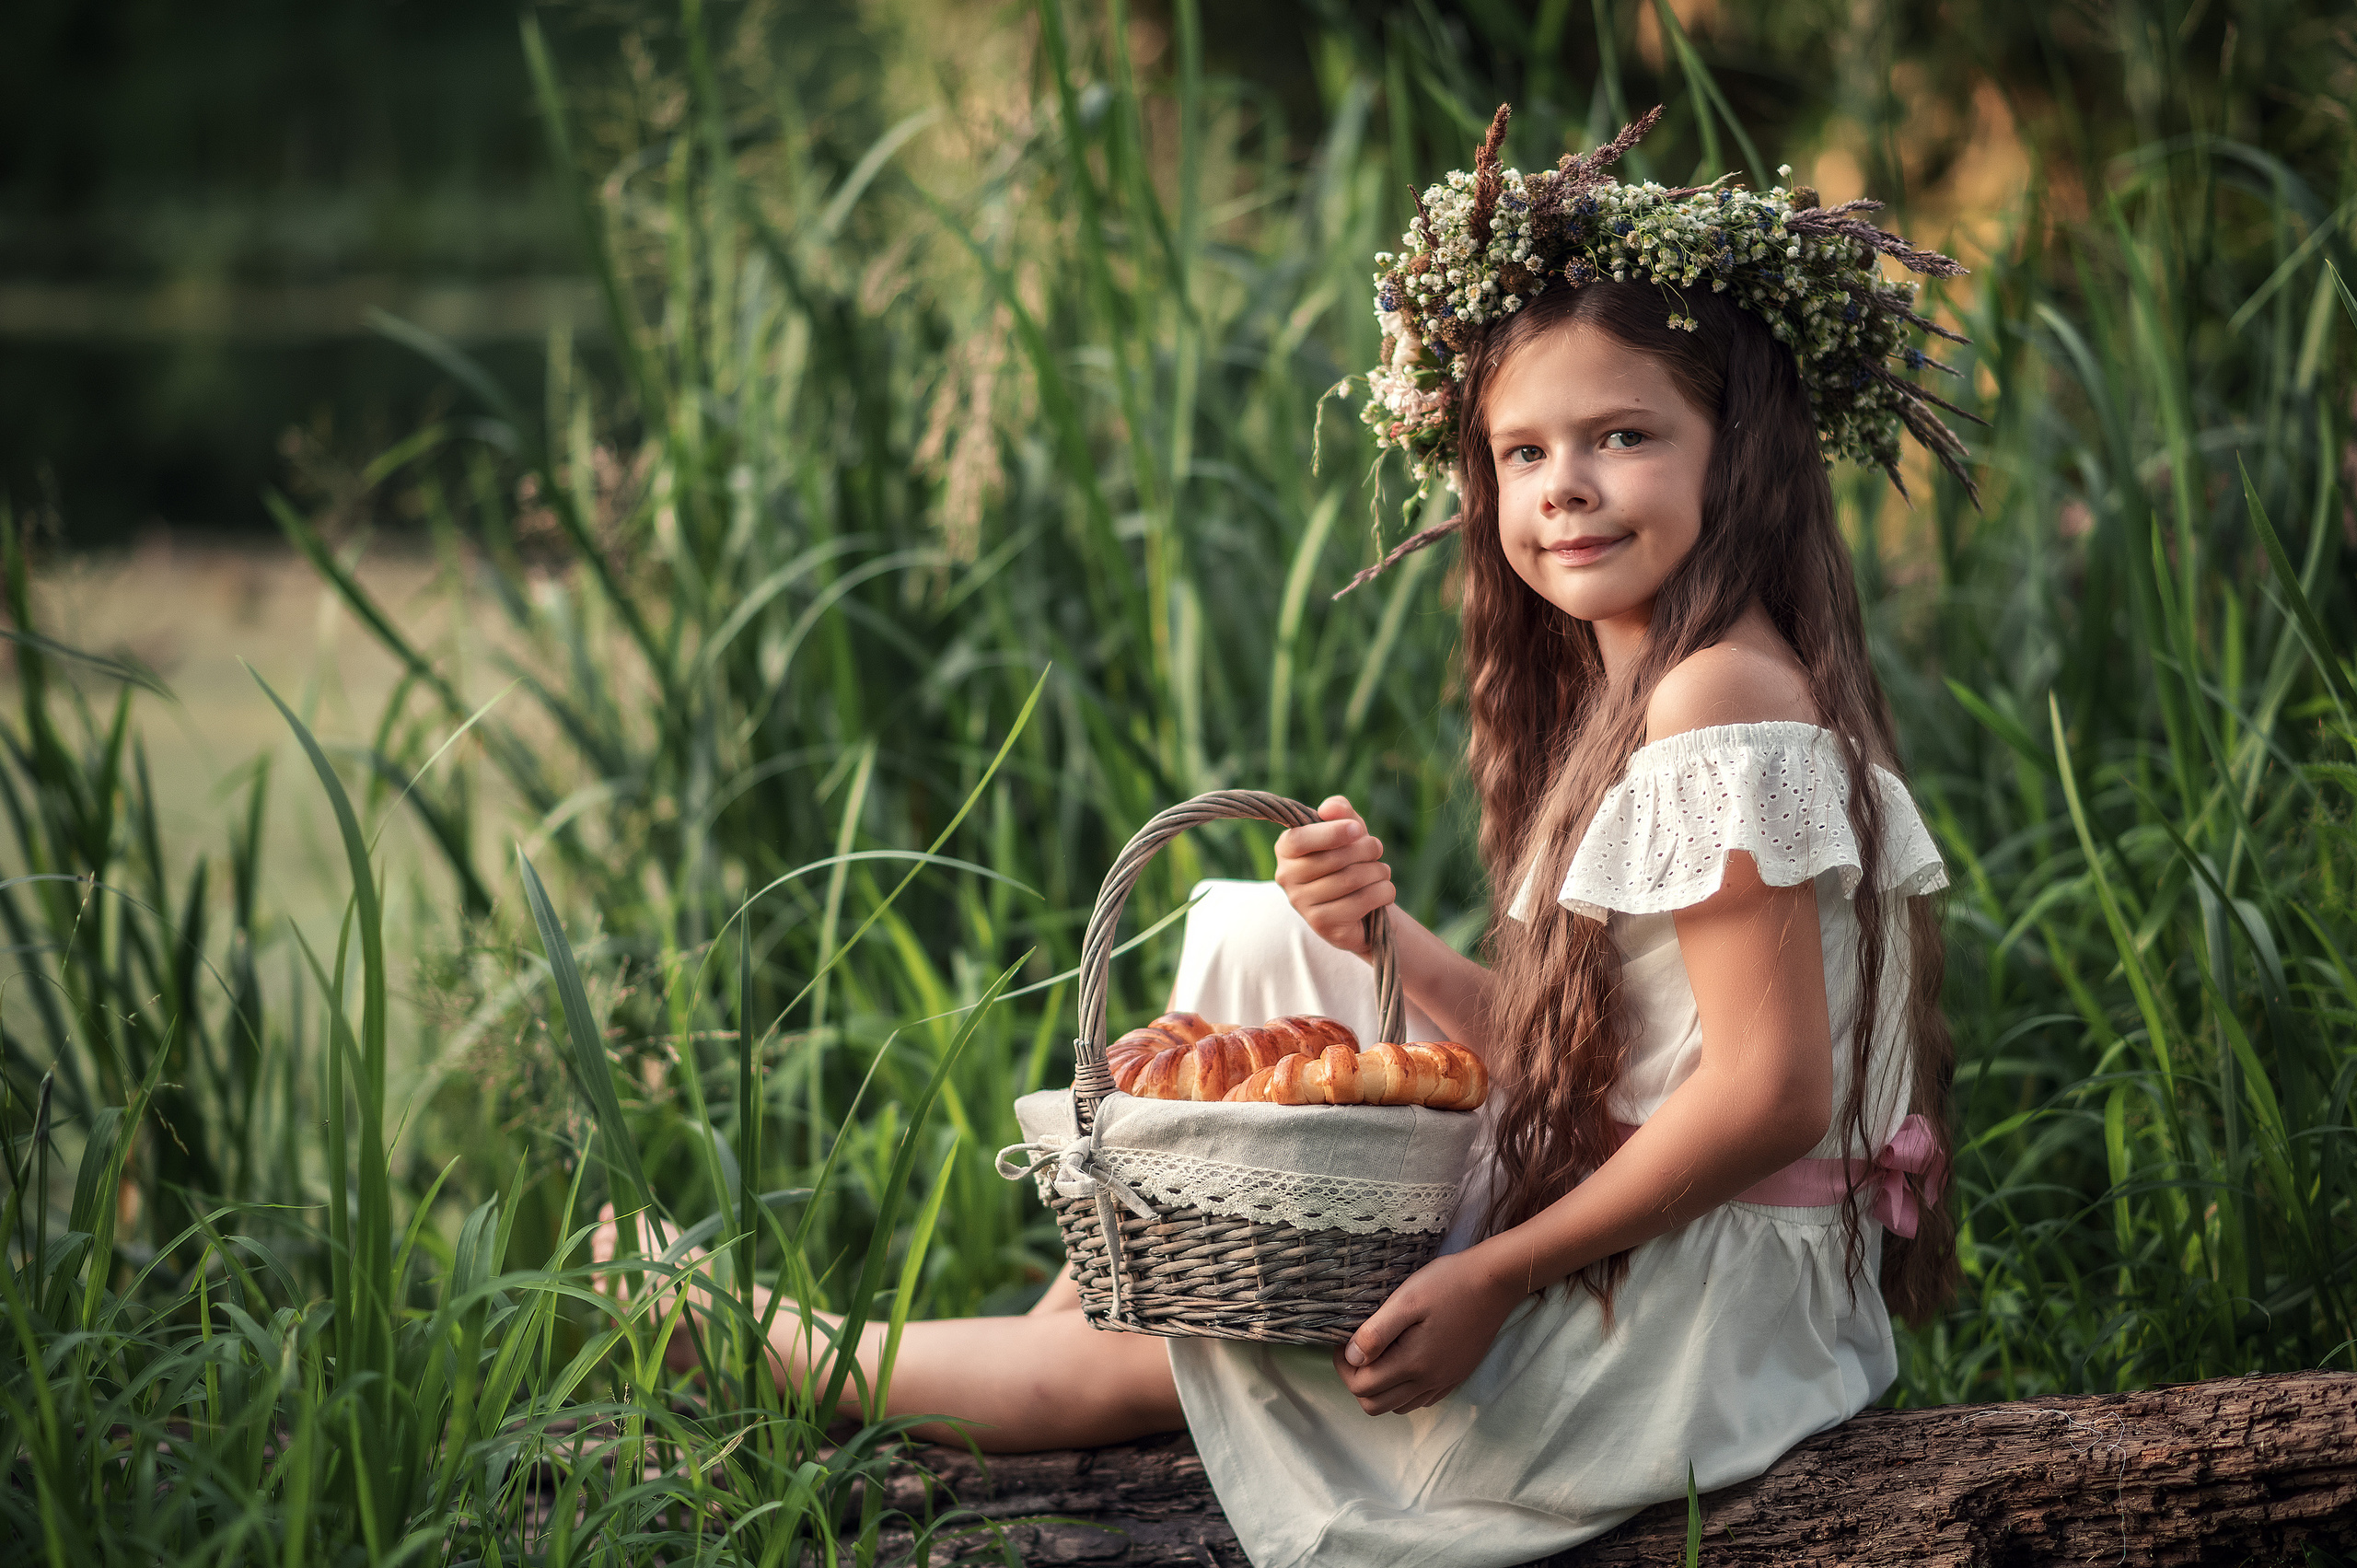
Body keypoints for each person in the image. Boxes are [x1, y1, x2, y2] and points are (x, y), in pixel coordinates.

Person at [598, 103, 1971, 1568]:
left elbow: (1768, 1094)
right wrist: (1384, 940)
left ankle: (781, 1347)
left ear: (1740, 452)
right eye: (1521, 451)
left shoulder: (1716, 699)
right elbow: (1609, 1062)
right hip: (1656, 1238)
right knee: (1268, 934)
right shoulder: (1663, 686)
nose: (1562, 485)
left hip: (1678, 1329)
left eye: (1622, 436)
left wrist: (1493, 1280)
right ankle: (1049, 1309)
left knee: (1150, 1354)